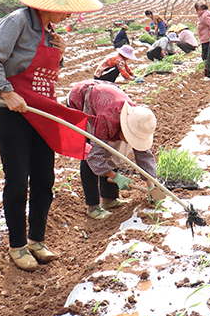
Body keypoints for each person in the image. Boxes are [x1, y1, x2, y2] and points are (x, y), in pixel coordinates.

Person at [0, 0, 103, 271]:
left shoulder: (49, 32)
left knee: (45, 179)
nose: (70, 13)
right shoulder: (17, 22)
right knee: (18, 179)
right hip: (13, 112)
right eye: (65, 7)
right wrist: (7, 93)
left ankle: (37, 240)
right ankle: (17, 245)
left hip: (41, 111)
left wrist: (60, 53)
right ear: (47, 4)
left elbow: (45, 71)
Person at [67, 80, 161, 220]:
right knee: (89, 152)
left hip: (103, 99)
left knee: (111, 150)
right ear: (124, 128)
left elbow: (144, 155)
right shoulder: (106, 120)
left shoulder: (137, 118)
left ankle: (109, 199)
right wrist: (116, 177)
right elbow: (93, 156)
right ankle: (93, 207)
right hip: (81, 101)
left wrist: (152, 187)